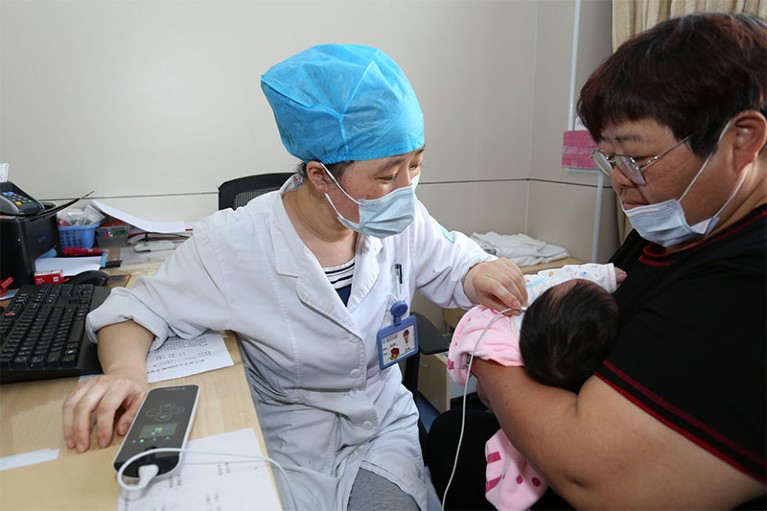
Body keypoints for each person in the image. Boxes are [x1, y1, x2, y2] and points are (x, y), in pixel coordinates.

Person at [61, 43, 529, 511]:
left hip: (384, 427)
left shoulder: (403, 220)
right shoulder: (233, 242)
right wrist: (125, 372)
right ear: (320, 176)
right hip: (291, 435)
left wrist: (477, 271)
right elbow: (136, 311)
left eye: (417, 164)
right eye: (388, 175)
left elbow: (453, 262)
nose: (407, 187)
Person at [427, 12, 766, 510]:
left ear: (742, 140)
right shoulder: (681, 225)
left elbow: (594, 474)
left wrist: (486, 348)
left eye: (635, 157)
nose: (619, 180)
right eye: (608, 158)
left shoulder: (747, 280)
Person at [441, 264, 622, 510]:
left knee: (448, 431)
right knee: (447, 426)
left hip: (560, 444)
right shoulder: (569, 342)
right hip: (544, 424)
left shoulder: (545, 336)